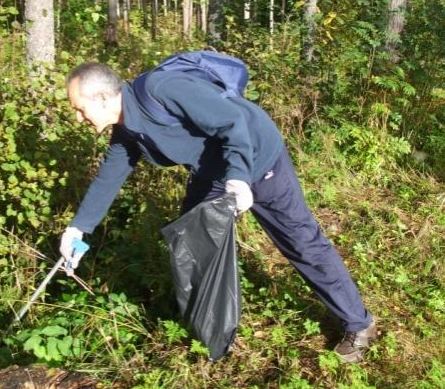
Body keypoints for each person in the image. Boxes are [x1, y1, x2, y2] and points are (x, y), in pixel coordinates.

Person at [59, 60, 378, 363]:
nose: (78, 117)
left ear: (101, 97)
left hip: (256, 156)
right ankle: (211, 333)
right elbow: (108, 178)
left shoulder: (162, 88)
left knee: (301, 242)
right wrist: (78, 229)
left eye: (78, 108)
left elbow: (232, 121)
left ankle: (358, 324)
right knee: (192, 241)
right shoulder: (127, 129)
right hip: (213, 171)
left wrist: (239, 177)